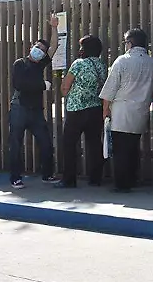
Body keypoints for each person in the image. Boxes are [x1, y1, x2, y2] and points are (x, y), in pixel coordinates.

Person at [100, 28, 153, 193]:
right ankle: (133, 178)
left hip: (122, 110)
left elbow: (110, 88)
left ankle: (122, 183)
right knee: (133, 146)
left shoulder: (122, 61)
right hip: (141, 110)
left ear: (130, 43)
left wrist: (105, 109)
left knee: (120, 148)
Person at [8, 15, 60, 188]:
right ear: (32, 47)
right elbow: (19, 84)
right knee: (15, 143)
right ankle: (15, 177)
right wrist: (42, 85)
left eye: (42, 50)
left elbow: (54, 46)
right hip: (19, 108)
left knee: (45, 142)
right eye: (37, 47)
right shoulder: (20, 64)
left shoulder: (40, 64)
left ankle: (47, 174)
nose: (39, 50)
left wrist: (54, 27)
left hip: (35, 110)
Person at [57, 35, 108, 188]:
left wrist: (67, 92)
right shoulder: (102, 65)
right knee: (94, 143)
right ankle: (95, 178)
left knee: (69, 144)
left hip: (76, 109)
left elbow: (65, 87)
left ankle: (69, 179)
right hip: (95, 108)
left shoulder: (78, 64)